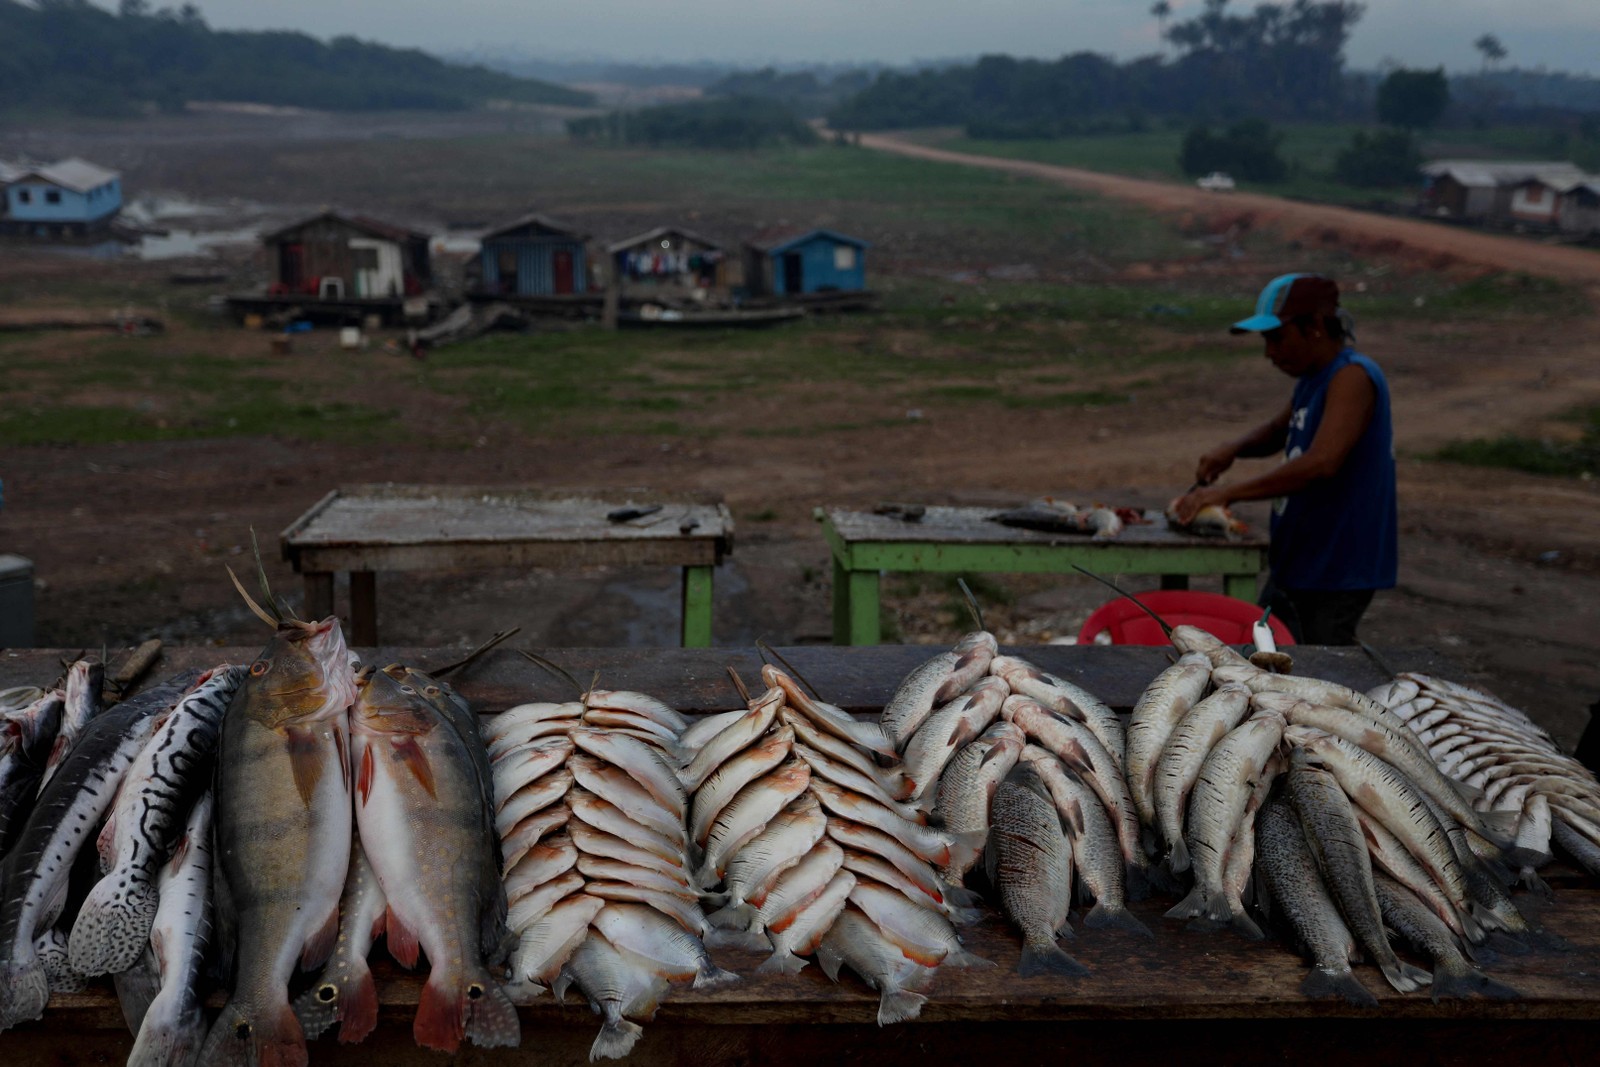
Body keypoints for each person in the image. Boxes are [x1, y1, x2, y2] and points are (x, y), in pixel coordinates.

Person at [1170, 273, 1396, 645]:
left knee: (1320, 671)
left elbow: (1323, 461)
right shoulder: (1313, 378)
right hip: (1302, 561)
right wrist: (1233, 449)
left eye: (1277, 338)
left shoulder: (1353, 377)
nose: (1270, 353)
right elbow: (1279, 430)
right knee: (1268, 650)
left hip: (1336, 567)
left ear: (1316, 327)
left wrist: (1227, 493)